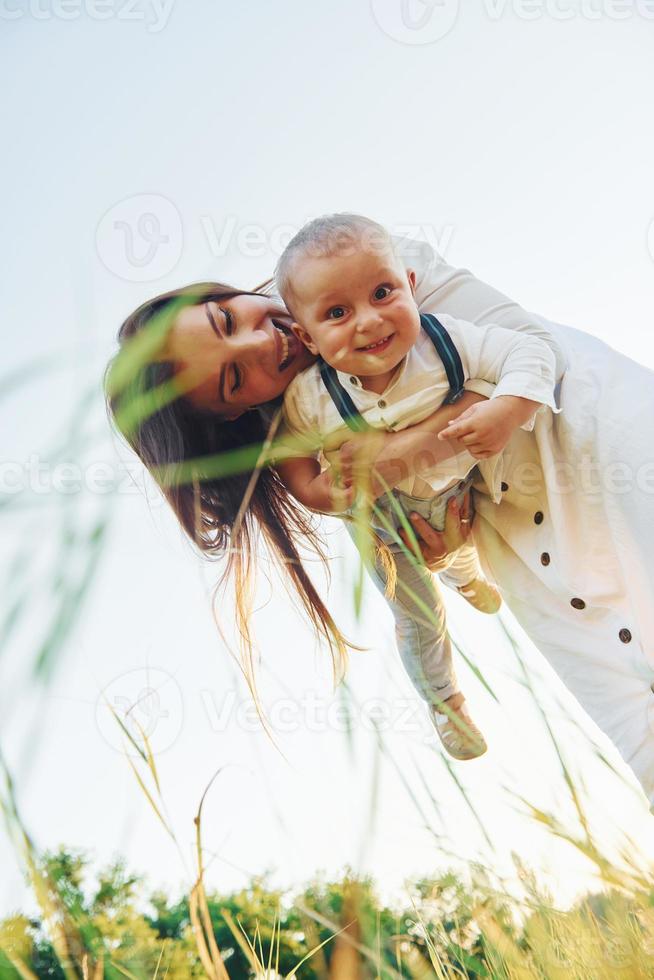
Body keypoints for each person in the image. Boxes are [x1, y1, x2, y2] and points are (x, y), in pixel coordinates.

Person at [105, 227, 654, 807]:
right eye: (236, 377)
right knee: (636, 728)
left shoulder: (354, 270)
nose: (260, 343)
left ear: (220, 294)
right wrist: (438, 549)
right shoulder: (307, 415)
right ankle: (446, 687)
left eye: (226, 320)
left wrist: (398, 456)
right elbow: (375, 508)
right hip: (523, 538)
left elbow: (535, 351)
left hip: (593, 443)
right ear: (237, 412)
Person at [271, 214, 560, 760]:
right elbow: (287, 454)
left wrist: (507, 408)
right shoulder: (310, 396)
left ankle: (468, 578)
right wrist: (315, 493)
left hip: (453, 489)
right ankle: (445, 701)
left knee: (460, 541)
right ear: (307, 337)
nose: (368, 321)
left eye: (382, 293)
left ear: (409, 284)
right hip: (380, 522)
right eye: (337, 313)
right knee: (416, 612)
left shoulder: (443, 341)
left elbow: (530, 351)